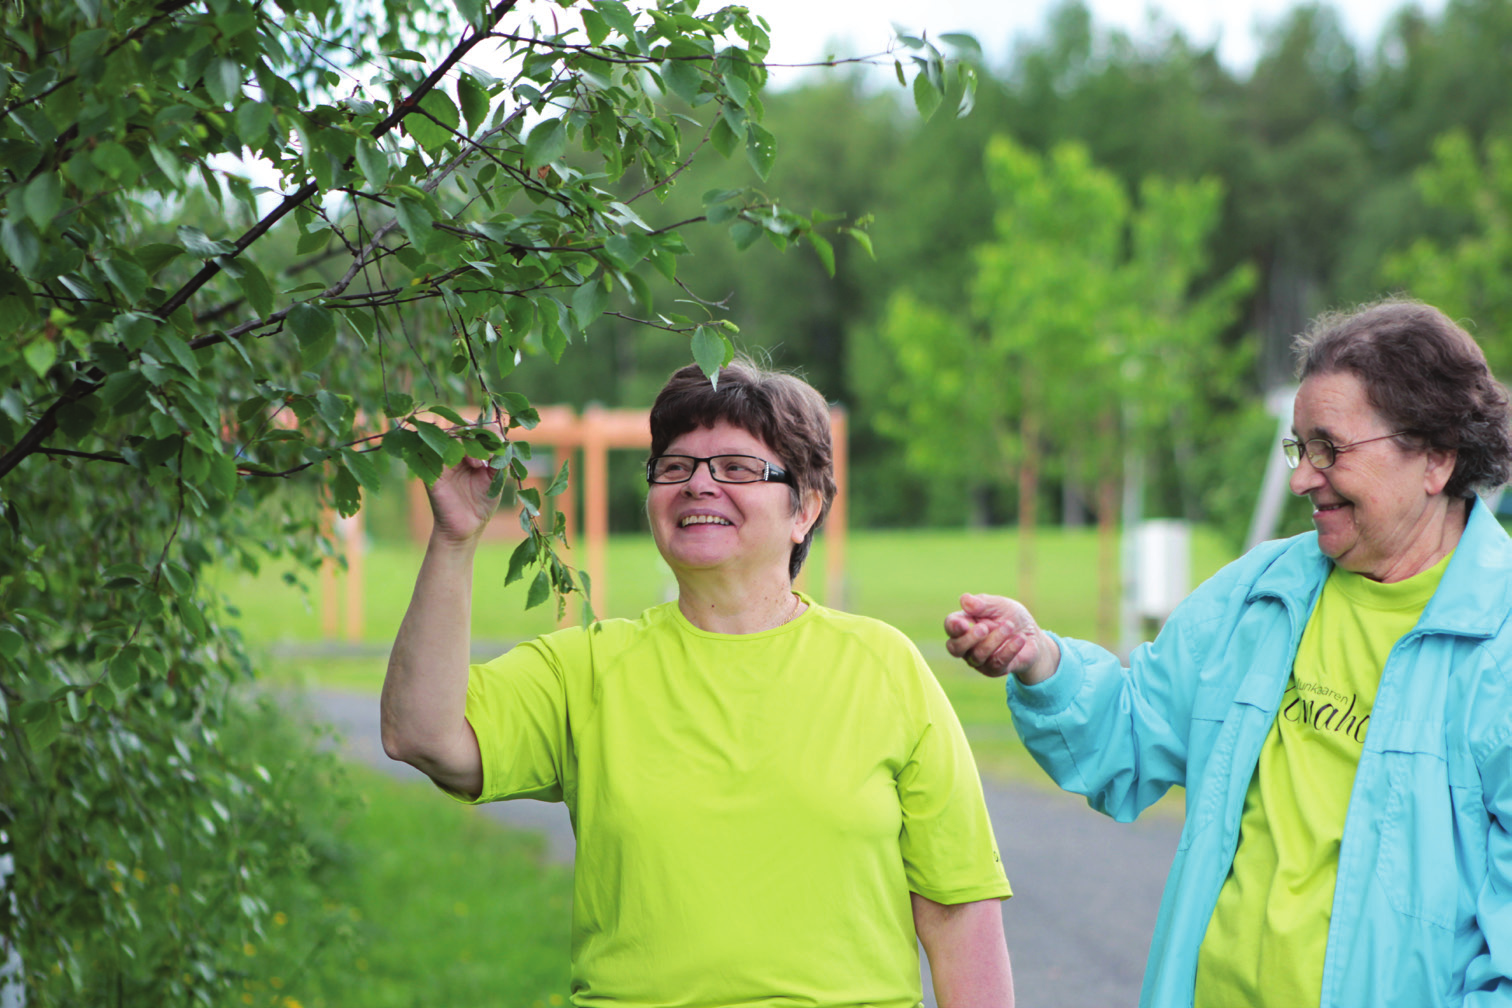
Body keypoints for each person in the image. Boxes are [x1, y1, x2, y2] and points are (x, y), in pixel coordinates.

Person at [384, 358, 1013, 1008]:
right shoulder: (590, 670)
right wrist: (456, 540)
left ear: (807, 509)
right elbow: (422, 735)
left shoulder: (884, 667)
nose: (698, 485)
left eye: (737, 468)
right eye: (676, 466)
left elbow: (959, 911)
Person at [945, 298, 1512, 1007]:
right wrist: (1038, 661)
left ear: (1435, 458)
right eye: (1298, 447)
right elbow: (1130, 735)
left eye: (1329, 448)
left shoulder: (1501, 641)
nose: (1304, 477)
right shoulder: (1260, 593)